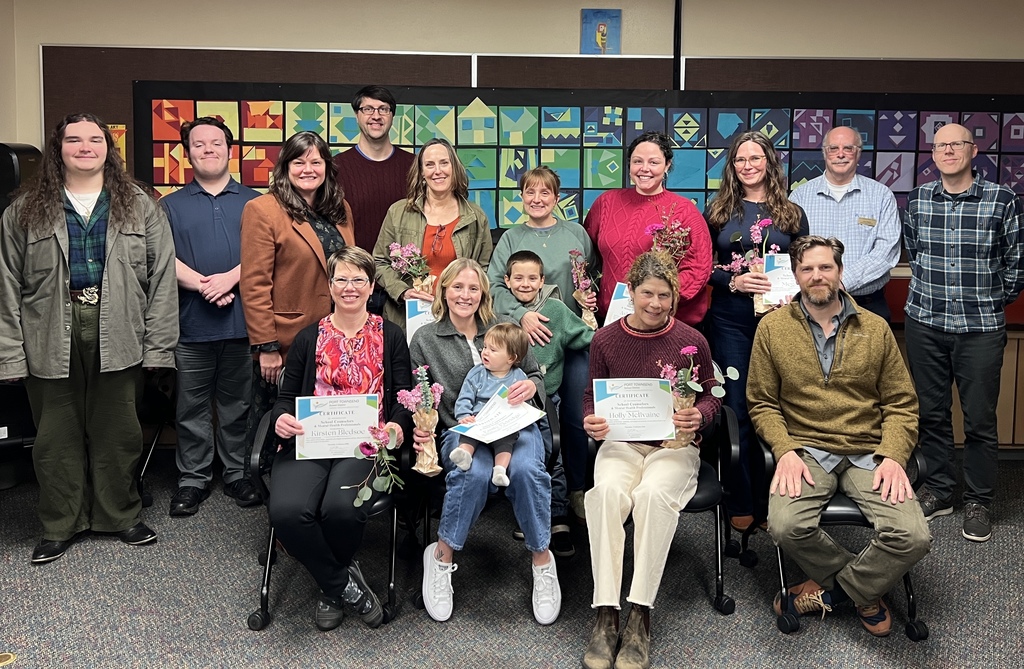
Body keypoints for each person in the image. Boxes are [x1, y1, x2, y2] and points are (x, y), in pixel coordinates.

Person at [0, 112, 177, 563]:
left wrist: (158, 348)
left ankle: (121, 515)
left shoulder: (140, 205)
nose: (84, 147)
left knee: (118, 430)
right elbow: (5, 285)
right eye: (73, 140)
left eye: (94, 139)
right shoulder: (24, 210)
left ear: (108, 147)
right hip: (47, 333)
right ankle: (60, 523)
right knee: (54, 436)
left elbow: (161, 282)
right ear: (58, 149)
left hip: (119, 328)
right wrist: (9, 356)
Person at [746, 235, 930, 638]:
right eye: (807, 269)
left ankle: (837, 592)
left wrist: (896, 455)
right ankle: (865, 590)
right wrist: (785, 449)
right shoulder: (772, 329)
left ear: (840, 272)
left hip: (869, 450)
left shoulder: (876, 328)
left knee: (914, 536)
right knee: (785, 526)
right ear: (795, 276)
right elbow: (761, 403)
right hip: (807, 449)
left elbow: (901, 403)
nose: (817, 276)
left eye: (825, 267)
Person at [581, 250, 721, 669]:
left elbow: (712, 395)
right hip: (622, 443)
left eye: (664, 296)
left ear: (675, 297)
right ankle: (606, 614)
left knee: (654, 495)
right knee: (604, 492)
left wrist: (701, 414)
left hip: (675, 446)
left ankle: (640, 614)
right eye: (647, 294)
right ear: (632, 293)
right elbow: (591, 396)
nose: (655, 304)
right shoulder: (604, 340)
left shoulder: (692, 341)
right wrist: (591, 419)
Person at [268, 246, 413, 631]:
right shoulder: (307, 337)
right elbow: (283, 400)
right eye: (341, 279)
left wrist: (397, 427)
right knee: (286, 512)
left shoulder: (392, 335)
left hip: (364, 443)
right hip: (309, 441)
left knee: (341, 508)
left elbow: (403, 397)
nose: (350, 287)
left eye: (358, 280)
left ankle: (329, 591)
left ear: (371, 286)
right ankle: (342, 584)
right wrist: (282, 418)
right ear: (330, 286)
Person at [409, 259, 560, 626]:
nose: (465, 295)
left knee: (525, 470)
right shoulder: (426, 338)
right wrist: (421, 426)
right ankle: (442, 557)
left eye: (473, 288)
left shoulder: (500, 328)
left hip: (516, 428)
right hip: (464, 434)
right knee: (472, 473)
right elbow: (416, 392)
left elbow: (537, 374)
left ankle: (542, 561)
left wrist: (531, 386)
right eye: (457, 287)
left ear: (484, 293)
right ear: (443, 290)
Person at [903, 122, 1024, 543]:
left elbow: (1017, 264)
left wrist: (988, 300)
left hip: (980, 329)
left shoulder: (1001, 199)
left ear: (974, 150)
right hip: (926, 323)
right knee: (931, 414)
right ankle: (939, 490)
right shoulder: (918, 201)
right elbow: (915, 254)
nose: (947, 151)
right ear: (932, 155)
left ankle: (978, 500)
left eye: (956, 144)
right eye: (940, 146)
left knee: (979, 420)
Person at [705, 130, 809, 532]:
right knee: (738, 408)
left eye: (755, 158)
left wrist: (791, 286)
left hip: (782, 323)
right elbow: (701, 268)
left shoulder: (792, 214)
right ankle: (741, 499)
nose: (748, 166)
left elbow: (807, 266)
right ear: (732, 166)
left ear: (769, 162)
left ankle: (778, 501)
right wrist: (733, 282)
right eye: (740, 160)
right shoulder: (717, 212)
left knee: (781, 408)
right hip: (731, 322)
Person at [161, 117, 261, 516]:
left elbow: (266, 254)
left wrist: (229, 280)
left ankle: (237, 473)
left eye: (215, 143)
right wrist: (205, 285)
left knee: (237, 404)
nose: (208, 149)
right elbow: (161, 257)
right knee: (191, 408)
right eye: (198, 144)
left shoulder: (256, 202)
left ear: (229, 149)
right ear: (187, 153)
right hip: (191, 324)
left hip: (242, 323)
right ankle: (193, 480)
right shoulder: (168, 205)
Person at [488, 166, 596, 527]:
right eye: (530, 192)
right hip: (530, 341)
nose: (537, 199)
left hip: (568, 335)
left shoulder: (576, 234)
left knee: (576, 415)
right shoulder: (510, 238)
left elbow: (586, 277)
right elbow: (494, 287)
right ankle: (533, 491)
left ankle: (577, 488)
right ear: (521, 197)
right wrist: (522, 315)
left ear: (556, 196)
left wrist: (587, 300)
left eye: (545, 192)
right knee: (538, 415)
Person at [240, 131, 355, 465]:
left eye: (316, 161)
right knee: (282, 419)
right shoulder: (262, 210)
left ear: (327, 167)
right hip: (287, 338)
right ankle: (276, 489)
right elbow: (254, 284)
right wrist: (266, 346)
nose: (308, 168)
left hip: (336, 335)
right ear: (285, 166)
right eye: (299, 161)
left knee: (326, 421)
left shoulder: (339, 208)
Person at [583, 130, 712, 327]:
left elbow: (698, 268)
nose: (644, 169)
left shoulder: (684, 211)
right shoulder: (606, 203)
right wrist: (588, 292)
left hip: (662, 320)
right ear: (629, 165)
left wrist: (656, 301)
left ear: (667, 165)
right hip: (610, 320)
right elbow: (588, 257)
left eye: (653, 162)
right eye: (637, 161)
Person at [372, 138, 492, 330]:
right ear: (421, 173)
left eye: (444, 163)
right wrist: (403, 292)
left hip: (459, 320)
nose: (438, 171)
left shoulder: (475, 216)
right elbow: (379, 262)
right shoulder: (398, 212)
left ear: (454, 168)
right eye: (429, 164)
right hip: (407, 319)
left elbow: (484, 269)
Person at [789, 125, 900, 321]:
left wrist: (840, 281)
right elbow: (792, 249)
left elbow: (886, 251)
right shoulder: (800, 196)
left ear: (858, 154)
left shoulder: (881, 196)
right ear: (825, 153)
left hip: (867, 305)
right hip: (812, 305)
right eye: (833, 148)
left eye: (848, 148)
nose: (840, 154)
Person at [333, 85, 416, 314]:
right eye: (368, 109)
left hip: (405, 288)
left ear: (392, 116)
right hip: (353, 286)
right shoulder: (337, 168)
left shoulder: (414, 166)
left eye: (383, 109)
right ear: (357, 115)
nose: (376, 115)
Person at [452, 322, 534, 487]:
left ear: (511, 358)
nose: (485, 353)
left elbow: (525, 404)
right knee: (468, 434)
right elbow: (465, 398)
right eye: (485, 347)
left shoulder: (519, 377)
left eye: (493, 350)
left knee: (507, 442)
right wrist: (464, 416)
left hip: (503, 424)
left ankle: (500, 470)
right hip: (479, 421)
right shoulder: (477, 373)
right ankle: (465, 455)